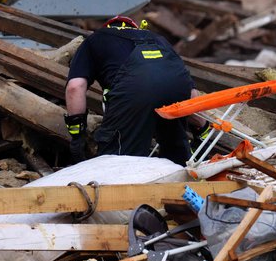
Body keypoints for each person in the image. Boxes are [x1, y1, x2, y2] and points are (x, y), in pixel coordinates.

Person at [65, 16, 193, 163]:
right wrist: (203, 130)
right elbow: (192, 93)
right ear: (135, 28)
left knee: (119, 160)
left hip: (135, 91)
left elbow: (75, 87)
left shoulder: (96, 39)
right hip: (178, 88)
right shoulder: (158, 39)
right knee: (176, 154)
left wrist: (77, 136)